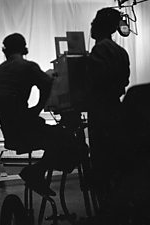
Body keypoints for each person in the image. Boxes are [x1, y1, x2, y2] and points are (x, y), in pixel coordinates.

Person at [0, 33, 82, 196]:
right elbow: (46, 84)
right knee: (72, 142)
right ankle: (36, 172)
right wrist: (37, 109)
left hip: (10, 134)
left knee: (61, 140)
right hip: (26, 130)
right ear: (25, 49)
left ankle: (38, 171)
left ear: (5, 51)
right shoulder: (27, 66)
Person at [86, 7, 130, 210]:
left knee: (102, 164)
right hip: (116, 111)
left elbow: (96, 80)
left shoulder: (100, 50)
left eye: (94, 22)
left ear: (101, 26)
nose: (91, 26)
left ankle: (106, 212)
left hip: (102, 112)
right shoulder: (120, 52)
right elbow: (123, 81)